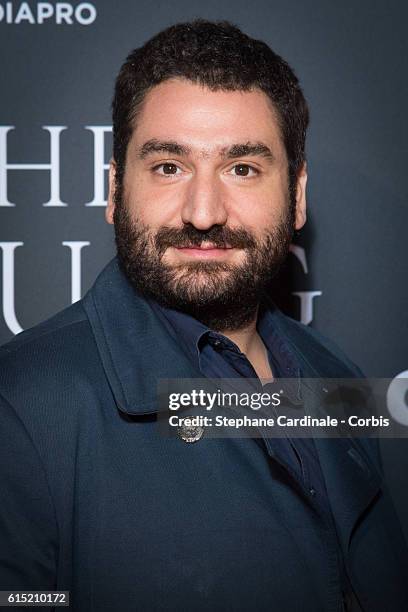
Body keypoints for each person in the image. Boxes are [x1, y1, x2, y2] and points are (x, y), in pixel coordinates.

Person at [0, 19, 407, 612]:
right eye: (169, 166)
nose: (203, 211)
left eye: (242, 168)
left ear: (295, 196)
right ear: (115, 192)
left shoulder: (333, 370)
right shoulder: (21, 403)